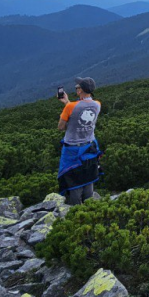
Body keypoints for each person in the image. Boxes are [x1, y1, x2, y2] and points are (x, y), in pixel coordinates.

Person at [57, 77, 103, 205]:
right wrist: (67, 102)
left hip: (72, 148)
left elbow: (61, 127)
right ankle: (89, 206)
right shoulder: (97, 105)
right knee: (88, 176)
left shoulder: (70, 107)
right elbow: (80, 110)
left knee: (73, 178)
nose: (76, 88)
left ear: (80, 91)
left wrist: (67, 105)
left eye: (77, 87)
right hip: (90, 146)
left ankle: (75, 209)